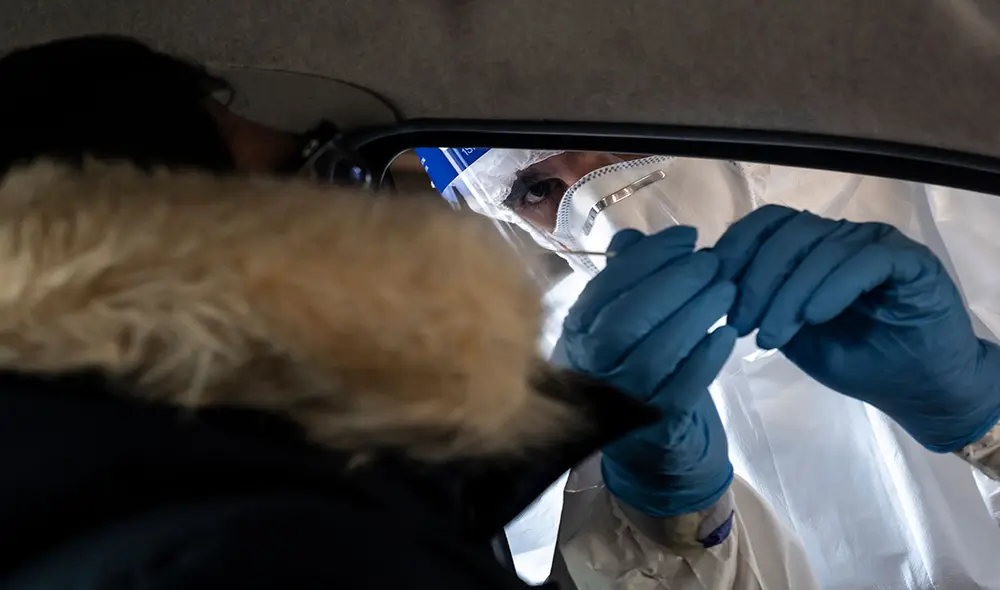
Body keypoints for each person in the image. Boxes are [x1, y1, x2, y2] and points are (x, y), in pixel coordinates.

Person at [0, 36, 661, 590]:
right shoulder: (258, 554)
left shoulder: (117, 488)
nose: (363, 213)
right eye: (322, 172)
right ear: (201, 240)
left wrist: (564, 410)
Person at [420, 148, 1000, 589]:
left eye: (616, 138)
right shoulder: (555, 364)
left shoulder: (952, 179)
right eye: (539, 190)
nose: (613, 213)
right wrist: (673, 530)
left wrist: (988, 418)